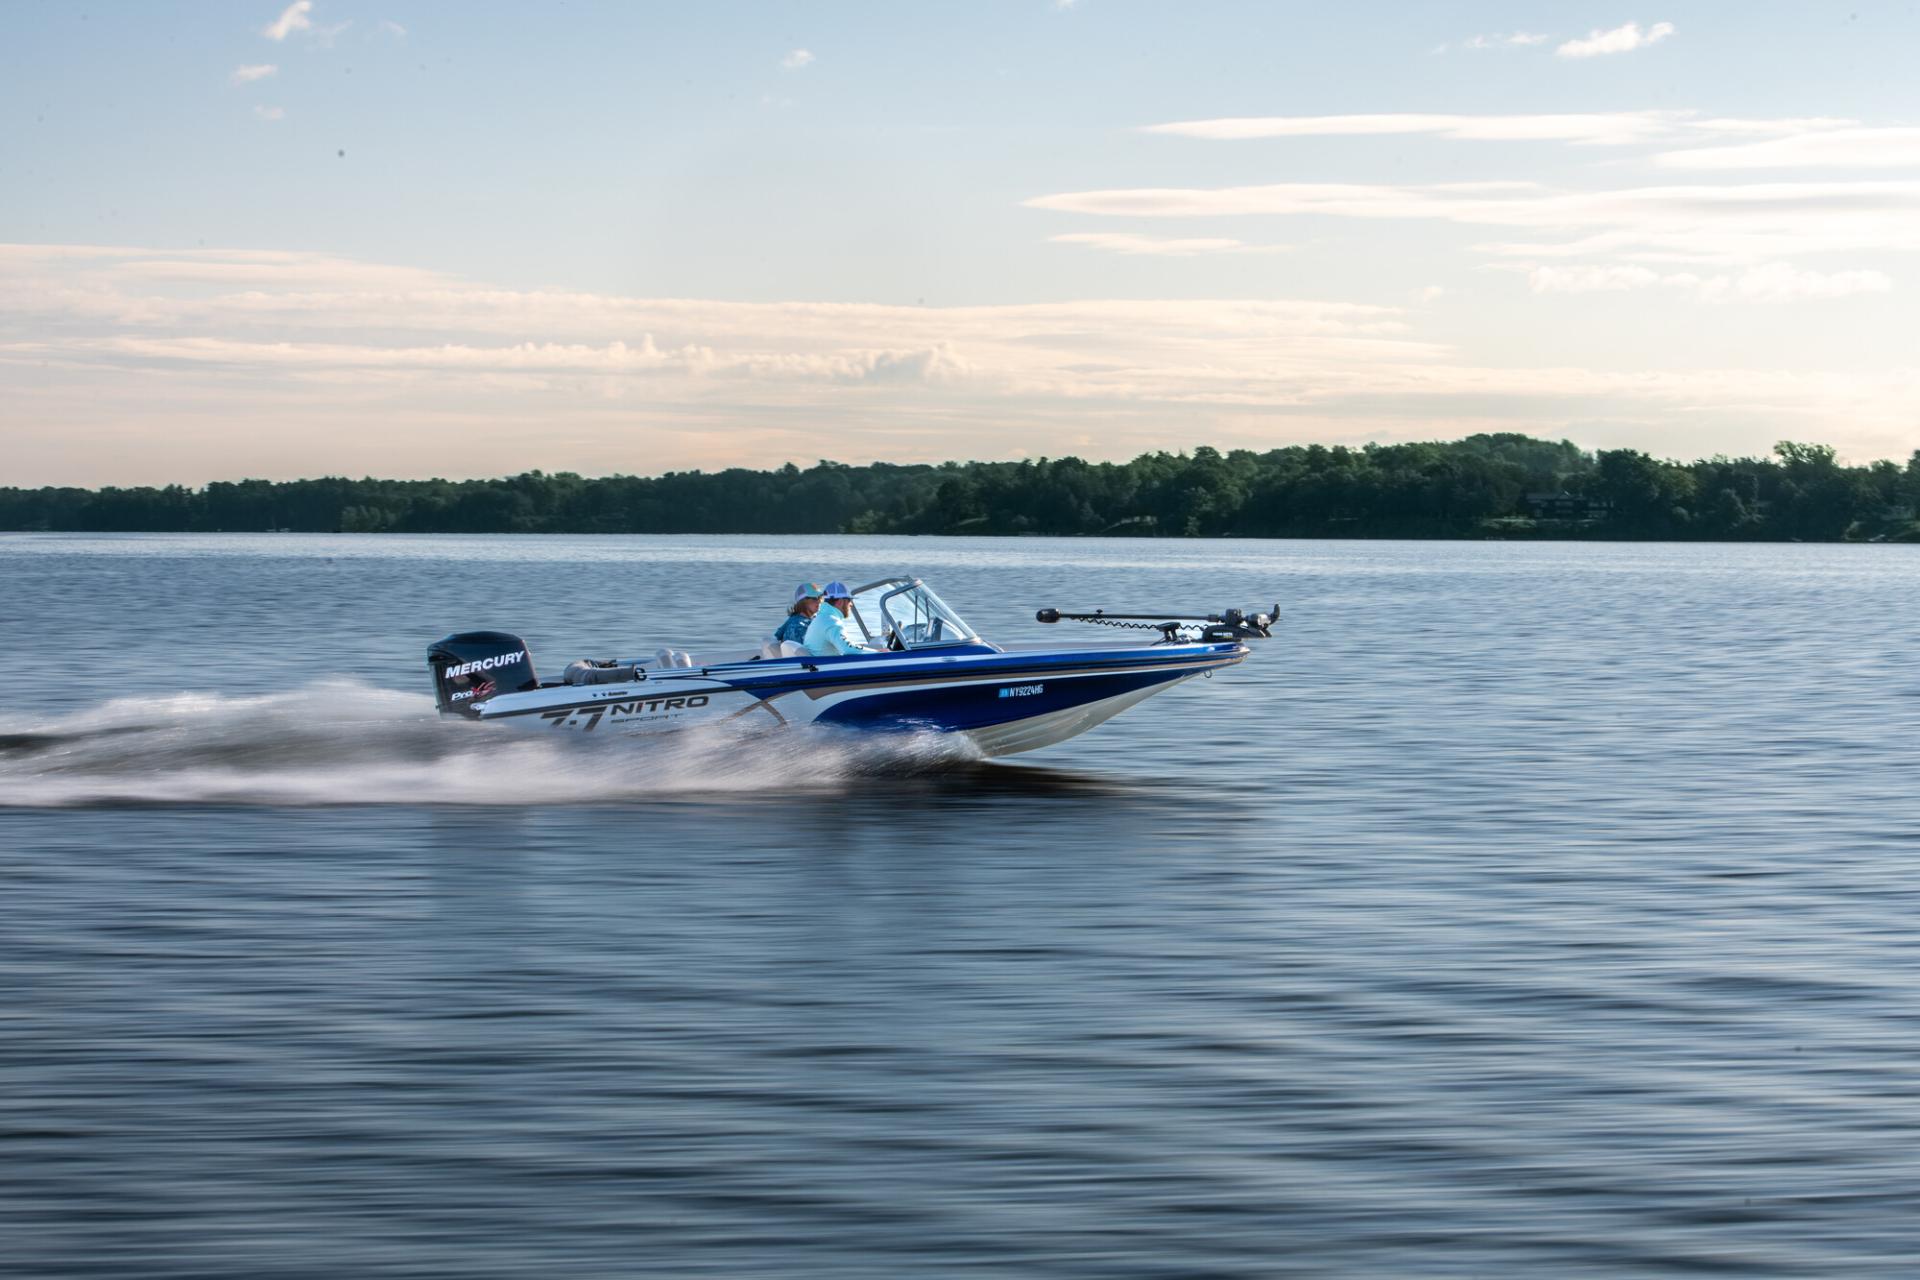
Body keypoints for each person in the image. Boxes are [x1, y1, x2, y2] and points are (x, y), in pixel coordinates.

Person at [804, 581, 881, 657]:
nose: (851, 604)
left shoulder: (823, 618)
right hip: (825, 667)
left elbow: (847, 645)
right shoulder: (831, 622)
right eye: (849, 600)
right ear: (840, 601)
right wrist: (878, 652)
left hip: (821, 665)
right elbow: (847, 649)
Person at [773, 582, 824, 648]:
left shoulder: (791, 619)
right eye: (814, 598)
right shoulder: (803, 625)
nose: (819, 601)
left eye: (820, 597)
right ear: (803, 602)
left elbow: (777, 636)